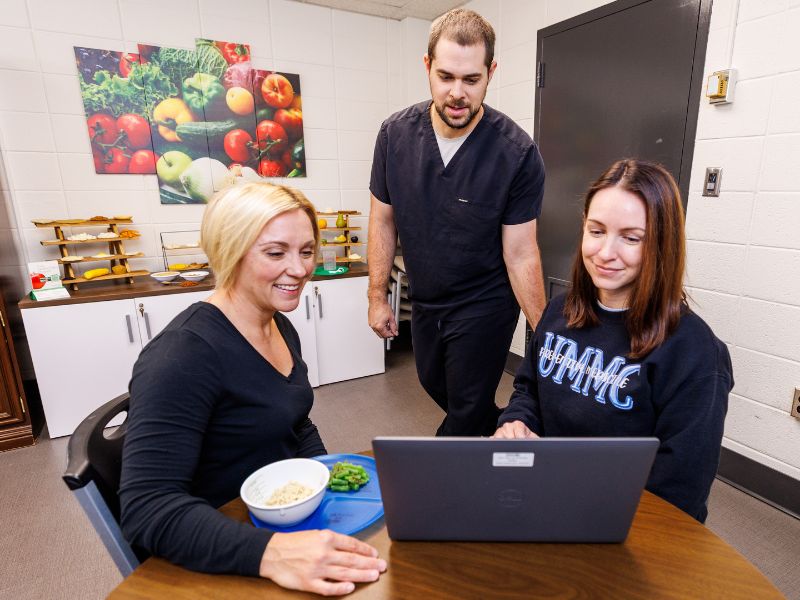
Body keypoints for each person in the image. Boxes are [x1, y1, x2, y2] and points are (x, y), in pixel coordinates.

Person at [120, 182, 386, 596]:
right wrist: (273, 553)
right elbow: (147, 509)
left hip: (279, 514)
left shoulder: (278, 324)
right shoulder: (183, 355)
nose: (299, 270)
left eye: (306, 251)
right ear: (230, 252)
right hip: (223, 548)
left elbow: (294, 420)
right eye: (276, 253)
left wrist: (323, 483)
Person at [495, 159, 732, 522]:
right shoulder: (560, 311)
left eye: (631, 238)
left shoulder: (694, 353)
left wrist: (575, 500)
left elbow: (678, 491)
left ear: (661, 244)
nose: (605, 253)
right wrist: (516, 423)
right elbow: (528, 392)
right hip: (546, 497)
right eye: (596, 231)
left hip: (627, 524)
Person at [368, 8, 547, 437]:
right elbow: (382, 220)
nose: (457, 93)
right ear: (427, 67)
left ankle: (443, 488)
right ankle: (512, 432)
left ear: (491, 73)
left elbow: (521, 253)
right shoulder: (394, 136)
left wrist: (545, 334)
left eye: (471, 80)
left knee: (465, 408)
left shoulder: (517, 154)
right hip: (427, 296)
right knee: (436, 384)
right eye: (446, 76)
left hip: (486, 301)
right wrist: (377, 294)